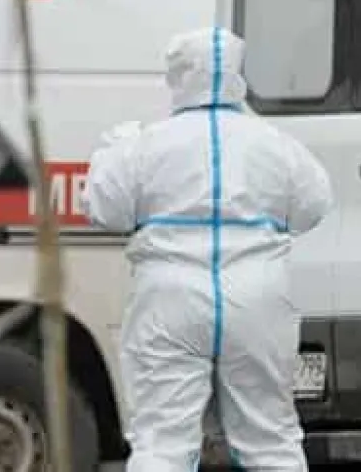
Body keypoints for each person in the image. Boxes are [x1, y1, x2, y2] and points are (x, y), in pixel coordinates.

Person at [81, 27, 333, 471]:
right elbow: (314, 205)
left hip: (170, 299)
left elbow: (104, 209)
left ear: (178, 76)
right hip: (255, 297)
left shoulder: (146, 144)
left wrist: (111, 150)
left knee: (162, 443)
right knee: (270, 440)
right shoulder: (273, 143)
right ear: (237, 74)